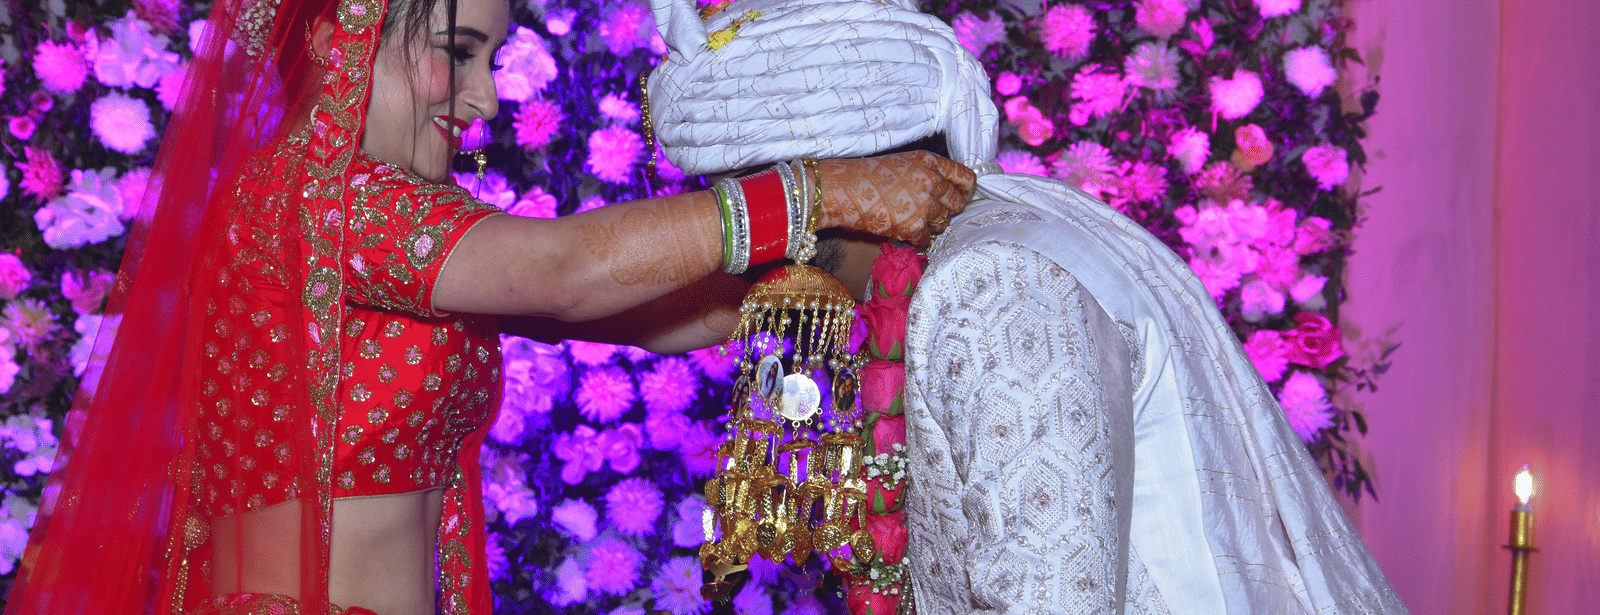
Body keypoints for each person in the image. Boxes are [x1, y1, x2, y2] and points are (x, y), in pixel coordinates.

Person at [1, 0, 973, 613]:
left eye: (490, 60)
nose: (482, 101)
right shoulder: (311, 195)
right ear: (349, 27)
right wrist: (821, 191)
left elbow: (628, 312)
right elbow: (564, 270)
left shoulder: (387, 215)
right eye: (459, 52)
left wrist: (831, 275)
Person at [646, 0, 1407, 612]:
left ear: (819, 194)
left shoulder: (992, 282)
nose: (733, 254)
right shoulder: (942, 263)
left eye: (743, 215)